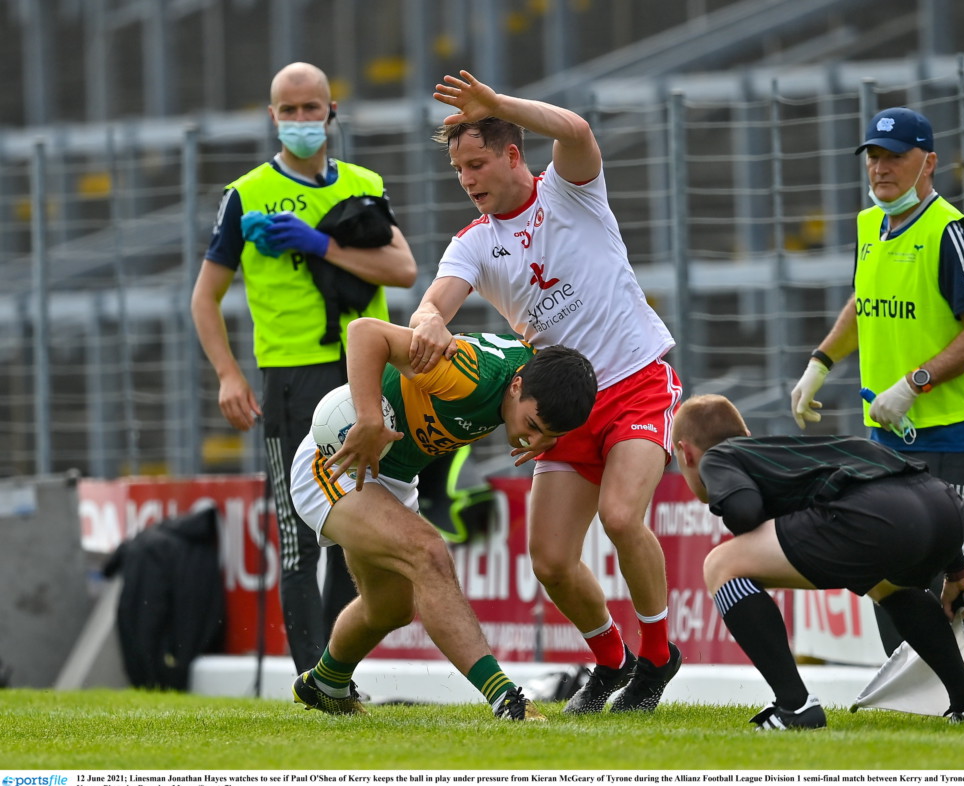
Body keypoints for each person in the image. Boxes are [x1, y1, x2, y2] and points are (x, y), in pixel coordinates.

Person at [408, 70, 683, 714]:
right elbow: (436, 300)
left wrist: (497, 104)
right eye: (458, 171)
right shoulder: (473, 244)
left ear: (512, 154)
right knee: (552, 561)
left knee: (620, 518)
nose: (468, 179)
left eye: (477, 163)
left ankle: (657, 655)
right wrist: (425, 322)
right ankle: (611, 661)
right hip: (559, 409)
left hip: (636, 382)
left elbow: (578, 129)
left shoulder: (572, 192)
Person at [191, 62, 418, 674]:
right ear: (272, 117)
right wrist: (229, 375)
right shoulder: (246, 194)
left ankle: (334, 675)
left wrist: (320, 245)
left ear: (331, 110)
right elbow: (203, 298)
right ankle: (309, 678)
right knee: (298, 536)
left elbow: (403, 270)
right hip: (289, 377)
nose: (300, 121)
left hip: (362, 376)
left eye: (310, 109)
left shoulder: (365, 182)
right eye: (287, 111)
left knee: (357, 528)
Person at [789, 107, 964, 692]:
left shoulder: (948, 230)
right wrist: (821, 361)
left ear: (928, 163)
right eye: (874, 156)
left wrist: (914, 385)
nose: (881, 168)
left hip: (948, 431)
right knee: (886, 561)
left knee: (950, 570)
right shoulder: (871, 225)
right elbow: (867, 300)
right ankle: (916, 694)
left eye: (896, 156)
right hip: (887, 434)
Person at [288, 317, 597, 719]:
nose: (533, 441)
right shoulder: (464, 373)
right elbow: (365, 332)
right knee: (430, 553)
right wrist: (368, 419)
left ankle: (325, 683)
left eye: (547, 438)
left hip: (391, 477)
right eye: (532, 426)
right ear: (517, 385)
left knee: (391, 609)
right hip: (335, 463)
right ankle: (507, 699)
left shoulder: (541, 377)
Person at [672, 394, 964, 730]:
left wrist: (747, 517)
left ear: (686, 452)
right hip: (943, 507)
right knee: (885, 584)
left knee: (721, 565)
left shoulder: (719, 458)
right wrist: (959, 570)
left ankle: (794, 706)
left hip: (878, 516)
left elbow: (745, 511)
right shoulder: (794, 449)